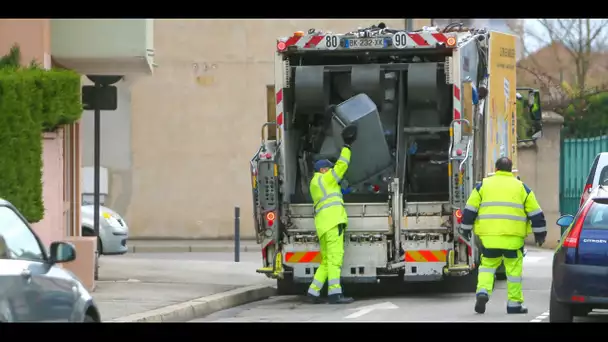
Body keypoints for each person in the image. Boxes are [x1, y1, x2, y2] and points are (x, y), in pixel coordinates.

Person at [460, 157, 546, 315]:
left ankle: (483, 292)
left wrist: (465, 229)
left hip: (489, 238)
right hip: (513, 239)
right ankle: (514, 305)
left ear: (496, 169)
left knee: (487, 266)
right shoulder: (522, 188)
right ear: (511, 170)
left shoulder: (483, 186)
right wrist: (540, 235)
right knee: (513, 272)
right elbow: (536, 213)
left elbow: (470, 209)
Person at [306, 124, 358, 305]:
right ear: (322, 170)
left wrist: (344, 191)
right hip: (333, 223)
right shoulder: (325, 178)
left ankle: (313, 292)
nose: (330, 170)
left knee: (326, 261)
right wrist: (348, 146)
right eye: (328, 168)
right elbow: (341, 167)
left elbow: (332, 193)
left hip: (323, 225)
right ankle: (335, 294)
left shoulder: (316, 183)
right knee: (335, 259)